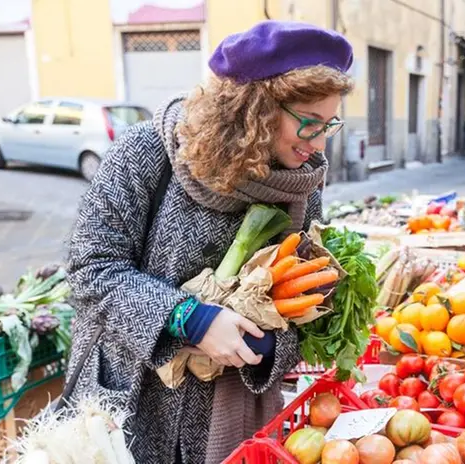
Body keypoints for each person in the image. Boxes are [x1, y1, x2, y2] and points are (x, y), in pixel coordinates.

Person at [64, 21, 353, 464]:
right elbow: (91, 269)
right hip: (128, 406)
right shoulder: (147, 151)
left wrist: (264, 347)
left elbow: (303, 298)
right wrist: (189, 320)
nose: (317, 145)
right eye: (309, 123)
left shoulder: (302, 183)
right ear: (253, 109)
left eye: (329, 124)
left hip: (224, 417)